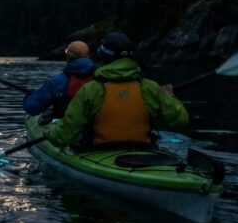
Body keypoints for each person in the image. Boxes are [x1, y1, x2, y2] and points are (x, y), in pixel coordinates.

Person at [44, 32, 188, 149]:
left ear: (103, 57)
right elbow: (180, 121)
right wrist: (170, 97)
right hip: (142, 151)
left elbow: (63, 138)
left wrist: (50, 134)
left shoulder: (91, 90)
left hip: (98, 152)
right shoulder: (149, 87)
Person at [22, 40, 96, 119]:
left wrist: (30, 95)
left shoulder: (58, 81)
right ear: (88, 56)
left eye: (67, 51)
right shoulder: (100, 77)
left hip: (66, 125)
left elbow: (32, 107)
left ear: (68, 56)